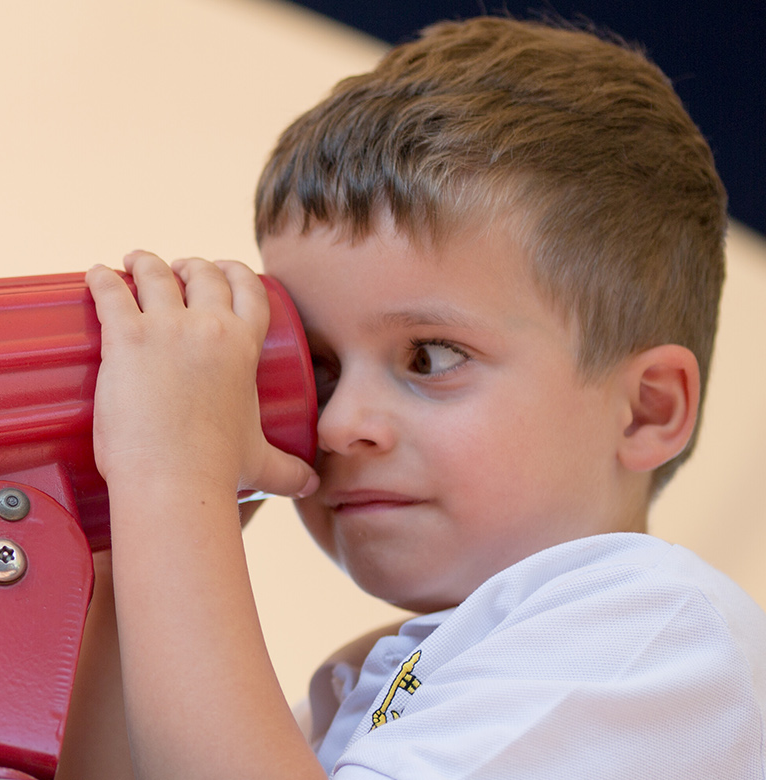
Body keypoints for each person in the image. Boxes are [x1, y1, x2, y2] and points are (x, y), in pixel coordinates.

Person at [85, 17, 762, 779]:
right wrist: (129, 554)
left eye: (430, 356)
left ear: (646, 410)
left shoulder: (656, 631)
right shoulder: (371, 686)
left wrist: (173, 487)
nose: (340, 426)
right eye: (319, 366)